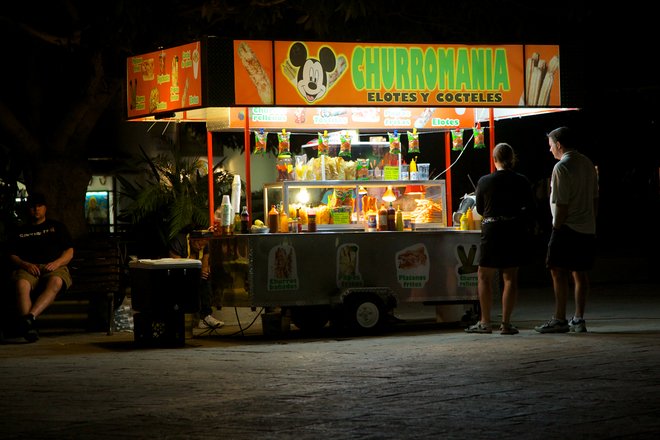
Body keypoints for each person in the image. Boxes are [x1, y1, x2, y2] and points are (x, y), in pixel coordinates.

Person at [465, 143, 535, 335]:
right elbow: (529, 206)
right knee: (510, 277)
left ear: (494, 159)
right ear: (512, 159)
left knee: (484, 275)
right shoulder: (522, 181)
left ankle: (485, 322)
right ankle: (505, 324)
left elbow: (479, 208)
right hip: (513, 229)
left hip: (492, 229)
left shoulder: (484, 181)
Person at [535, 126, 598, 333]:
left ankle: (559, 317)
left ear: (559, 145)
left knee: (557, 271)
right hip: (587, 227)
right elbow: (595, 198)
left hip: (566, 227)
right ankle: (578, 318)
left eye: (551, 145)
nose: (550, 150)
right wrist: (591, 220)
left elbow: (561, 203)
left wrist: (556, 227)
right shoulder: (588, 163)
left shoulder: (561, 167)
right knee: (580, 273)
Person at [8, 192, 74, 342]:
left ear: (45, 208)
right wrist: (25, 264)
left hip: (54, 266)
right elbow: (12, 254)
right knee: (21, 285)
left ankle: (29, 319)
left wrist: (57, 263)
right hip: (29, 268)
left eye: (39, 206)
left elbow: (69, 251)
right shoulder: (20, 231)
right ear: (28, 209)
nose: (36, 209)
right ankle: (30, 328)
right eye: (33, 207)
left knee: (56, 282)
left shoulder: (56, 227)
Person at [168, 226, 224, 330]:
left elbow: (205, 266)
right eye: (199, 244)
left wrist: (204, 271)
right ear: (193, 240)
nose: (200, 248)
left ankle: (205, 316)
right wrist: (197, 273)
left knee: (206, 277)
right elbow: (177, 266)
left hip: (194, 274)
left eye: (203, 246)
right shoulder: (178, 242)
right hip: (177, 274)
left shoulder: (204, 245)